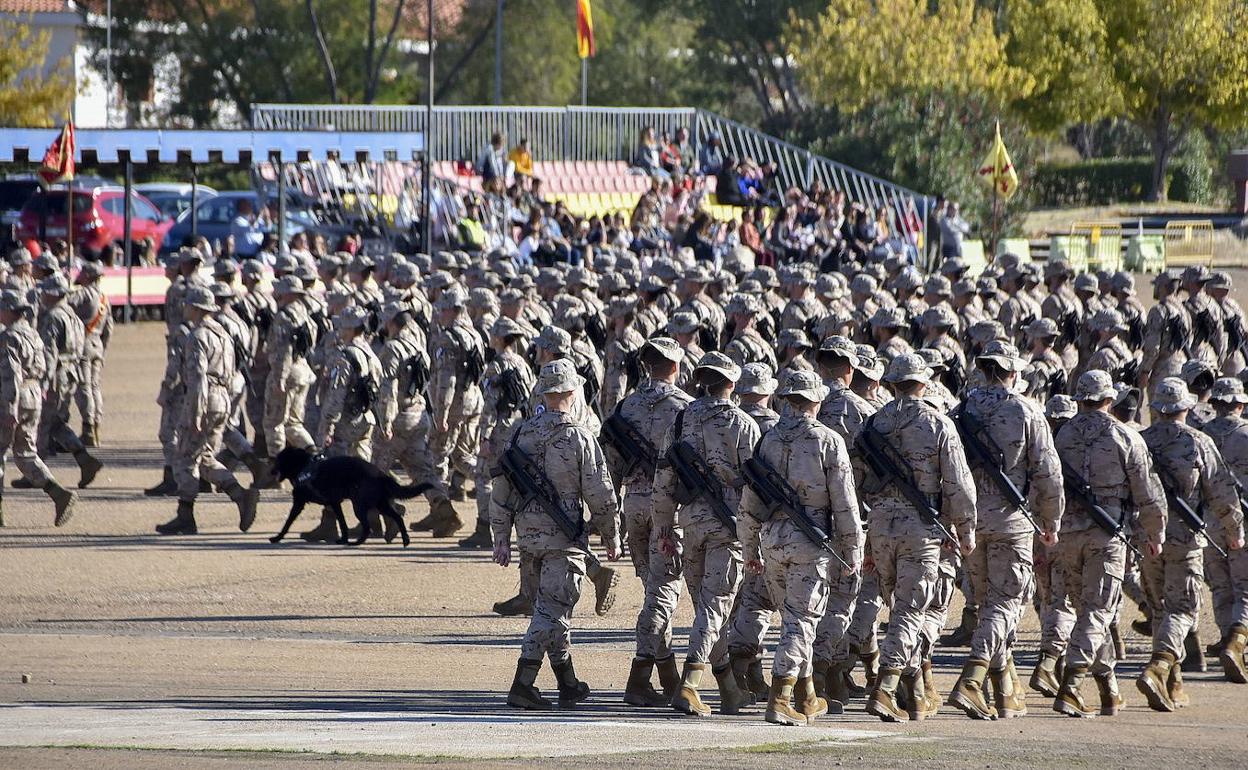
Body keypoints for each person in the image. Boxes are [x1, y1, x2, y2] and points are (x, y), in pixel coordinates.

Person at [492, 358, 621, 710]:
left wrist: (500, 537)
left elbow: (501, 490)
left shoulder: (521, 433)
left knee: (551, 609)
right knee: (551, 610)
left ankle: (568, 682)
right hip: (563, 540)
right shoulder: (579, 436)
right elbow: (601, 492)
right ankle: (523, 683)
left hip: (527, 537)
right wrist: (612, 536)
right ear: (571, 392)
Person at [739, 369, 864, 726]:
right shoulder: (828, 441)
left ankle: (807, 696)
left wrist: (749, 548)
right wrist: (853, 552)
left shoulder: (768, 439)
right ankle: (780, 698)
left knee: (794, 619)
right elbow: (844, 504)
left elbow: (750, 501)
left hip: (772, 541)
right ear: (816, 401)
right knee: (801, 622)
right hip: (810, 544)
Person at [947, 341, 1064, 721]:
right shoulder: (1027, 410)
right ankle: (972, 678)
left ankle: (1005, 692)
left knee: (987, 606)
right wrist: (1051, 521)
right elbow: (1047, 474)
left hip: (968, 522)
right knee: (1005, 603)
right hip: (1011, 521)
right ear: (1013, 372)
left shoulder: (960, 410)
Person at [857, 353, 977, 722]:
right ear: (923, 384)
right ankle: (888, 687)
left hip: (880, 526)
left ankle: (914, 693)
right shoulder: (937, 423)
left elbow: (857, 478)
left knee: (900, 607)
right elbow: (957, 484)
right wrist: (966, 530)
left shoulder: (873, 424)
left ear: (891, 383)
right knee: (911, 611)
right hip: (921, 529)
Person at [1049, 370, 1167, 718]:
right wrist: (1155, 531)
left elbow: (1048, 481)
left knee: (1088, 612)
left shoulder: (1063, 434)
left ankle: (1108, 689)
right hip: (1107, 533)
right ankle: (1071, 684)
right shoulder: (1124, 435)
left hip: (1068, 535)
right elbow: (1146, 490)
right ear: (1109, 399)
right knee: (1098, 611)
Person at [652, 352, 758, 717]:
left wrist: (665, 528)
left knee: (708, 610)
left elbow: (663, 479)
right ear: (731, 384)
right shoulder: (744, 424)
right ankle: (690, 685)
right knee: (715, 608)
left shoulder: (681, 421)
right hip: (729, 527)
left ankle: (729, 689)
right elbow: (754, 484)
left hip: (691, 524)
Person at [1137, 377, 1243, 712]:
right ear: (1186, 407)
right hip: (1185, 538)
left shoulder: (1138, 441)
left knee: (1159, 609)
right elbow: (1221, 492)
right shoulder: (1199, 441)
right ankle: (1160, 666)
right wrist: (1234, 529)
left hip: (1146, 537)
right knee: (1182, 608)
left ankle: (1174, 681)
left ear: (1156, 408)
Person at [606, 337, 693, 707]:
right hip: (667, 511)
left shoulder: (624, 408)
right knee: (663, 594)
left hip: (633, 505)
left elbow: (608, 465)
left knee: (653, 590)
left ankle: (667, 674)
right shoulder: (686, 409)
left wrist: (609, 519)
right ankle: (638, 676)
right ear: (675, 366)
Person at [155, 285, 259, 535]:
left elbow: (198, 376)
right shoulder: (222, 333)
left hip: (205, 399)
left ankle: (185, 514)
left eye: (189, 304)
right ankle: (239, 495)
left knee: (184, 457)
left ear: (197, 308)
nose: (185, 308)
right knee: (205, 457)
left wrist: (195, 412)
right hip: (223, 397)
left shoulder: (198, 336)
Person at [0, 290, 77, 527]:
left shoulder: (9, 337)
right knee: (25, 453)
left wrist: (9, 408)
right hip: (33, 394)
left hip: (15, 396)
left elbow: (10, 374)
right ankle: (58, 493)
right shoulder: (32, 333)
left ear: (9, 310)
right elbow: (43, 364)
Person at [34, 274, 103, 488]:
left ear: (54, 294)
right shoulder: (72, 314)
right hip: (69, 373)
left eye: (46, 291)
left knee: (43, 422)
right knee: (54, 422)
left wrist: (42, 382)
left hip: (55, 375)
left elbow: (49, 353)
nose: (43, 295)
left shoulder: (53, 317)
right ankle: (84, 459)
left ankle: (37, 471)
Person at [68, 261, 111, 447]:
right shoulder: (104, 298)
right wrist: (104, 349)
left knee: (84, 386)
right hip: (98, 343)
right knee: (94, 386)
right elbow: (109, 328)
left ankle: (88, 428)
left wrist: (69, 282)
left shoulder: (84, 293)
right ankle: (96, 425)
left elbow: (64, 302)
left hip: (84, 343)